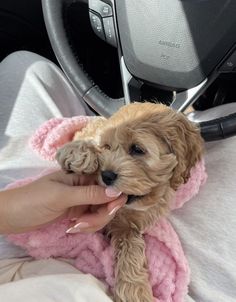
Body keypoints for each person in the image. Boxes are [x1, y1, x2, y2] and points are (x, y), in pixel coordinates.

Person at [0, 51, 235, 302]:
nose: (109, 168)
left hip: (13, 246)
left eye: (136, 150)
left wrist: (7, 211)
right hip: (56, 272)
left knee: (27, 67)